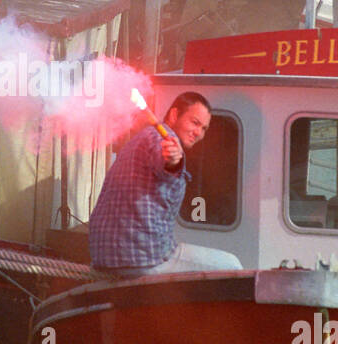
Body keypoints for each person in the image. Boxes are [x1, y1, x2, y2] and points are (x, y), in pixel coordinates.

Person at [89, 91, 241, 277]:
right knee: (232, 267)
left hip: (106, 257)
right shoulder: (161, 139)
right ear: (174, 115)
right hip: (142, 258)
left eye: (204, 128)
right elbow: (166, 163)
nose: (199, 133)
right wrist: (173, 160)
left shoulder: (142, 138)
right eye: (195, 123)